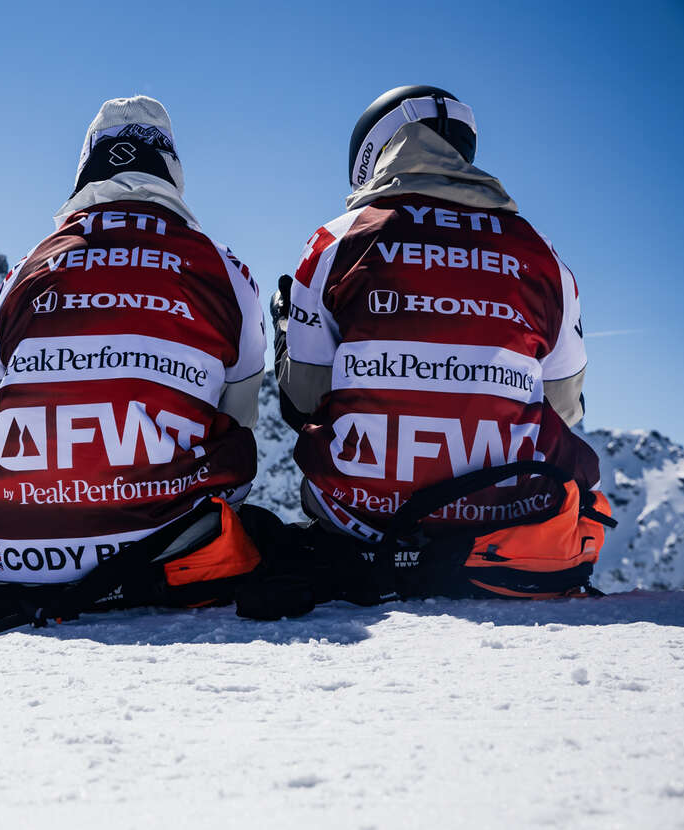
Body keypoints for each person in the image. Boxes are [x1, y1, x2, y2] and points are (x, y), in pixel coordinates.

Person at [262, 85, 613, 612]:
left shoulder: (337, 242)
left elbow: (306, 394)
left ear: (373, 151)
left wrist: (287, 329)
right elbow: (563, 406)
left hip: (362, 520)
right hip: (506, 528)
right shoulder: (540, 254)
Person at [0, 96, 268, 611]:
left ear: (86, 168)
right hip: (166, 551)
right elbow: (241, 417)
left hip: (11, 552)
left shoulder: (24, 271)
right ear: (172, 172)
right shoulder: (222, 268)